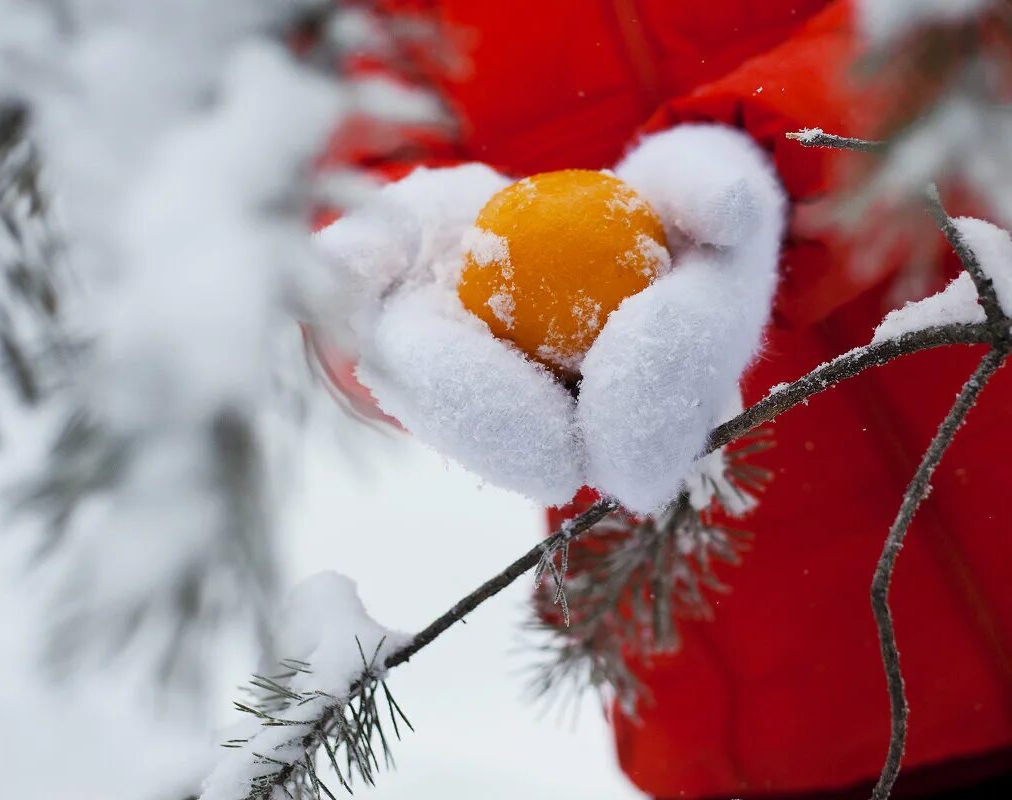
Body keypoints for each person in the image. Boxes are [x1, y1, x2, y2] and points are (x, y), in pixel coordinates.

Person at [317, 1, 1012, 798]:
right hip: (754, 702)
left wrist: (769, 152)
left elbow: (959, 25)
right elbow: (343, 157)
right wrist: (396, 282)